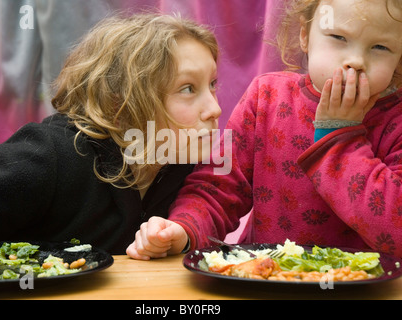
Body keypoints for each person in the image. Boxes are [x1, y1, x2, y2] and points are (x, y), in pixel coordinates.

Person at [126, 0, 402, 260]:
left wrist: (339, 135)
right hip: (265, 279)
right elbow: (217, 188)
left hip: (362, 288)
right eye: (339, 38)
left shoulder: (396, 120)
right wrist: (184, 230)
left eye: (380, 47)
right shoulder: (267, 97)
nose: (355, 61)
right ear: (305, 36)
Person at [0, 13, 221, 254]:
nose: (215, 108)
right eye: (187, 88)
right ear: (122, 102)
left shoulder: (184, 165)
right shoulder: (49, 155)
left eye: (212, 84)